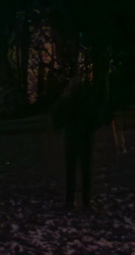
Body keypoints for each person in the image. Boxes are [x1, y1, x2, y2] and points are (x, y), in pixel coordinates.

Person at [52, 79, 102, 210]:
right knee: (85, 171)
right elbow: (96, 117)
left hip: (71, 138)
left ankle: (70, 201)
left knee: (71, 171)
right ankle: (86, 201)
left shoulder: (66, 101)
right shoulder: (87, 101)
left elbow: (56, 117)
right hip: (85, 138)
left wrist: (60, 128)